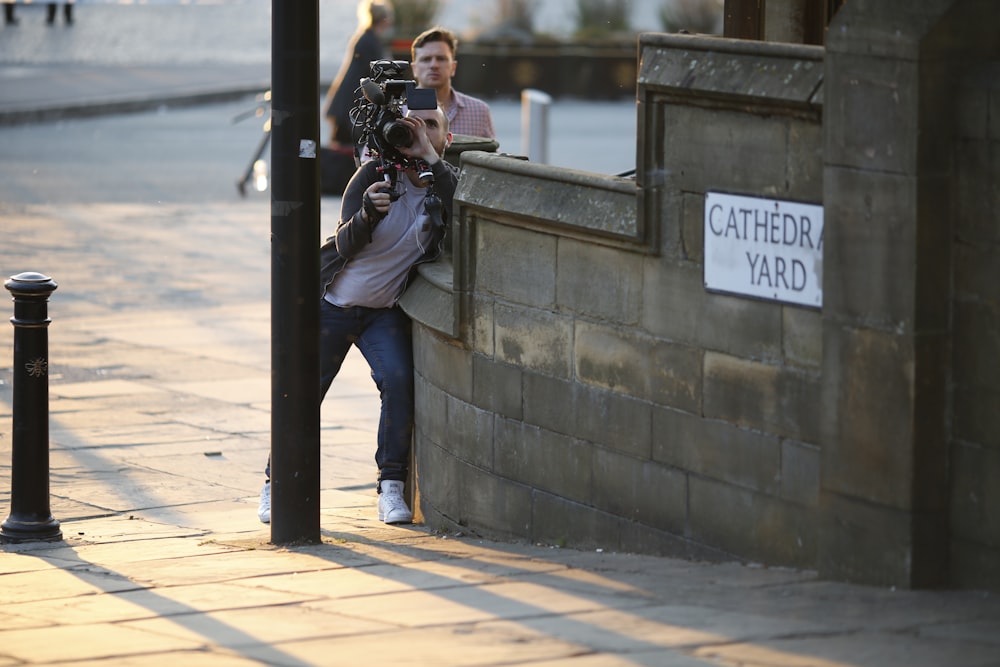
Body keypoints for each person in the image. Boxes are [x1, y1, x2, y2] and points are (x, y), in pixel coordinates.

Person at [258, 105, 458, 526]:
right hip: (333, 304)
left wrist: (429, 155)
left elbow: (461, 206)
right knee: (305, 393)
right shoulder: (372, 177)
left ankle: (390, 487)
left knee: (399, 382)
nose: (420, 132)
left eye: (432, 126)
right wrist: (368, 214)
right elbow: (345, 244)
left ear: (447, 138)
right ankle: (277, 484)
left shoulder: (441, 185)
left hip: (381, 313)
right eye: (412, 125)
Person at [323, 0, 394, 151]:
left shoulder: (366, 37)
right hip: (352, 100)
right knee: (346, 148)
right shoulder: (370, 41)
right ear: (383, 19)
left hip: (348, 98)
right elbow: (376, 72)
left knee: (342, 145)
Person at [410, 26, 496, 139]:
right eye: (426, 59)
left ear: (453, 67)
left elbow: (491, 154)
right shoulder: (399, 112)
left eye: (441, 59)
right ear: (414, 69)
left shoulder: (479, 111)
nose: (434, 65)